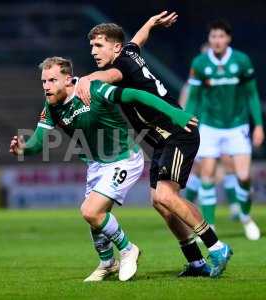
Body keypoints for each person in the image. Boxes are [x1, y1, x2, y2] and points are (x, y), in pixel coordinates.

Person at [10, 56, 196, 281]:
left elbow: (135, 94)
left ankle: (128, 250)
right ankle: (107, 263)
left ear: (68, 80)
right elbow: (37, 143)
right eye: (43, 81)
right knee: (95, 218)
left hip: (123, 159)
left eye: (52, 80)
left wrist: (175, 113)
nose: (46, 86)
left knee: (90, 210)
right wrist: (23, 149)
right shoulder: (51, 107)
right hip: (96, 165)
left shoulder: (93, 90)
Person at [76, 12, 232, 277]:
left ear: (115, 47)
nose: (93, 50)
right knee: (160, 202)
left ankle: (217, 247)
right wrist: (150, 23)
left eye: (98, 45)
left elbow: (110, 75)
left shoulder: (121, 65)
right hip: (162, 140)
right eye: (91, 45)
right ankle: (196, 262)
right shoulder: (128, 51)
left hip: (177, 133)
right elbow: (137, 40)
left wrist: (87, 79)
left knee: (165, 196)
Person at [186, 19, 264, 240]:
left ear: (228, 38)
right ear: (209, 39)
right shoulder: (200, 63)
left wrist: (258, 125)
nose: (217, 41)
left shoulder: (241, 61)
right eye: (213, 37)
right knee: (207, 175)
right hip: (210, 126)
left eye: (221, 36)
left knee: (244, 176)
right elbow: (193, 98)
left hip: (237, 125)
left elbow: (252, 95)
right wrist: (186, 121)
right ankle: (209, 227)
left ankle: (246, 217)